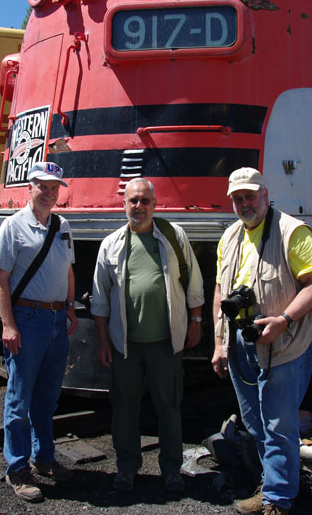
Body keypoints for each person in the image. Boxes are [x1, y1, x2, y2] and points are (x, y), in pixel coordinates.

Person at [210, 167, 312, 515]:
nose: (245, 203)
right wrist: (219, 343)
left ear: (265, 195)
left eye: (250, 196)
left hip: (286, 341)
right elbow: (220, 290)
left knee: (279, 422)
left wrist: (284, 319)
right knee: (256, 422)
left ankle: (277, 500)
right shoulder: (229, 236)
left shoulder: (291, 231)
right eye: (238, 198)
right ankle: (275, 484)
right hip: (243, 341)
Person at [91, 177, 205, 493]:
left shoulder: (173, 237)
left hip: (166, 343)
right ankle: (127, 468)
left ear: (155, 205)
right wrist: (102, 340)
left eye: (144, 201)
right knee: (124, 408)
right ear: (123, 204)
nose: (138, 206)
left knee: (169, 407)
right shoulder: (110, 244)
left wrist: (195, 320)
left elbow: (194, 283)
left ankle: (172, 470)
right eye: (133, 201)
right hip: (125, 345)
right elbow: (100, 298)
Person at [0, 161, 79, 503]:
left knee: (47, 397)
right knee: (20, 397)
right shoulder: (13, 227)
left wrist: (69, 306)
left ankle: (43, 458)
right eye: (43, 187)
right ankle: (17, 468)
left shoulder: (62, 225)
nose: (49, 193)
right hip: (27, 319)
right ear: (30, 188)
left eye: (55, 188)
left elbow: (68, 269)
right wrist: (8, 324)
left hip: (56, 320)